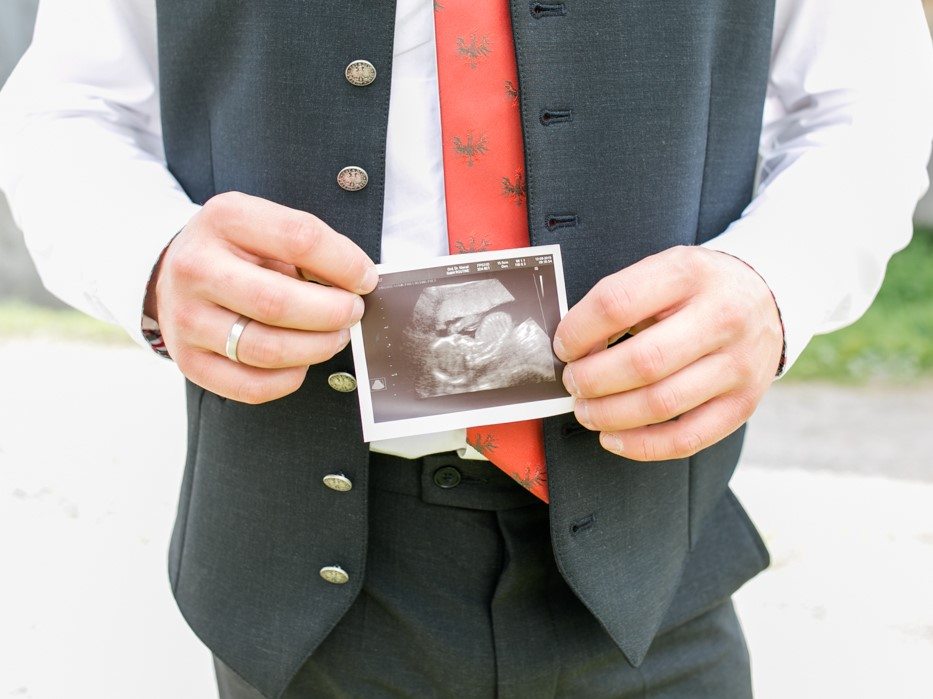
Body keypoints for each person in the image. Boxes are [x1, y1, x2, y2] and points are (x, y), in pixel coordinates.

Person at [1, 0, 931, 697]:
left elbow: (865, 101)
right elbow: (70, 105)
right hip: (294, 591)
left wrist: (775, 279)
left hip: (654, 573)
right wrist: (152, 258)